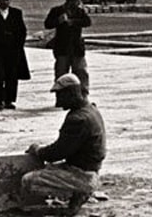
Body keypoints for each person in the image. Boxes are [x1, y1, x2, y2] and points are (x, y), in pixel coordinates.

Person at [22, 73, 107, 214]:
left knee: (29, 181)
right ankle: (78, 193)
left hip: (83, 174)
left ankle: (78, 190)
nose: (58, 102)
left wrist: (37, 150)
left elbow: (57, 152)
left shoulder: (78, 119)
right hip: (89, 168)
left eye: (60, 96)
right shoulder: (91, 109)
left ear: (71, 93)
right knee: (47, 169)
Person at [44, 0, 92, 99]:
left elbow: (87, 22)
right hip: (62, 47)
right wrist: (59, 21)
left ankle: (83, 95)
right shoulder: (57, 11)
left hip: (77, 48)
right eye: (77, 0)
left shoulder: (80, 12)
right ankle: (61, 97)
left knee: (81, 72)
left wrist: (73, 22)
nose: (78, 2)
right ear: (71, 1)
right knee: (61, 73)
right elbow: (47, 24)